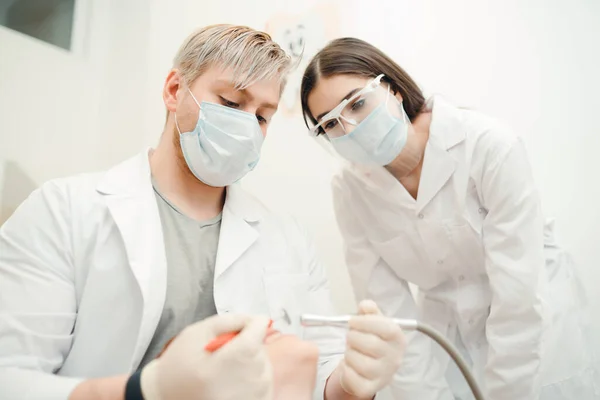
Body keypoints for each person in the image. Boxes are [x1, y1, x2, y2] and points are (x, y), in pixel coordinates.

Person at [0, 25, 406, 400]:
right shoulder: (63, 211)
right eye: (230, 102)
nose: (247, 126)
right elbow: (11, 377)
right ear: (175, 90)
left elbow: (320, 375)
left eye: (262, 116)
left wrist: (350, 382)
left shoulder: (291, 240)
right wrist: (146, 390)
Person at [300, 37, 598, 400]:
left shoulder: (488, 146)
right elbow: (392, 319)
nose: (350, 128)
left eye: (358, 103)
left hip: (540, 332)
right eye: (329, 125)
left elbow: (519, 297)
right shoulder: (351, 190)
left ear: (391, 89)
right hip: (448, 337)